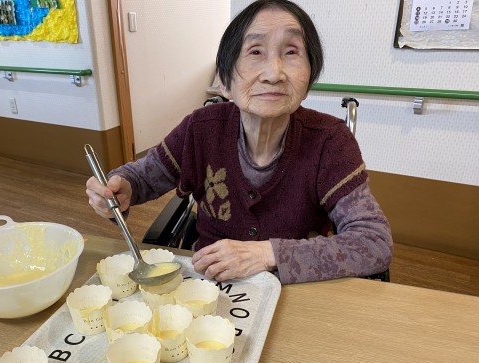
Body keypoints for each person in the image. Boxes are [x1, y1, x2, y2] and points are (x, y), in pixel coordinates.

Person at [86, 0, 392, 284]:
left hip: (293, 291)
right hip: (209, 283)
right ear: (224, 81)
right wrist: (121, 187)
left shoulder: (330, 140)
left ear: (309, 77)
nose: (274, 73)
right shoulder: (201, 128)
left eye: (291, 52)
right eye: (255, 52)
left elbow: (373, 241)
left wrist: (267, 254)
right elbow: (141, 178)